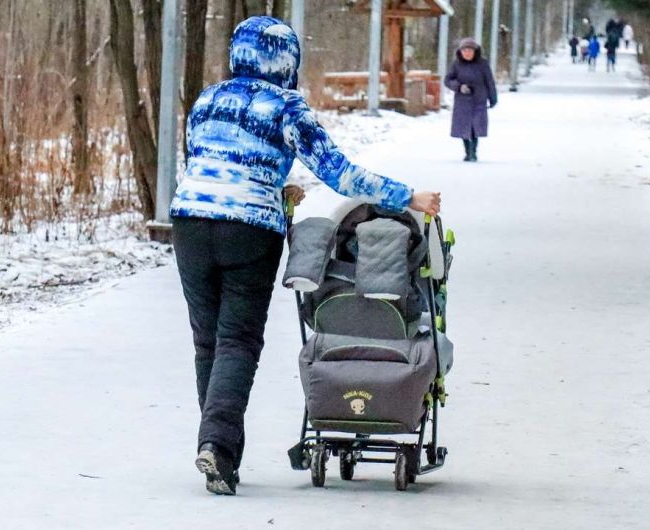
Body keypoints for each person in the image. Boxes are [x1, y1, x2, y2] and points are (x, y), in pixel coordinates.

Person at [169, 16, 441, 496]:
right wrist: (408, 197)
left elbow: (208, 162)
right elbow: (341, 175)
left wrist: (276, 186)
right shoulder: (286, 107)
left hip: (190, 221)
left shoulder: (208, 99)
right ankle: (215, 444)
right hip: (248, 231)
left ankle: (220, 453)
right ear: (287, 61)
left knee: (206, 342)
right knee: (237, 341)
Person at [443, 38, 497, 162]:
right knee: (464, 127)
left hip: (479, 100)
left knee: (475, 127)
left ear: (475, 51)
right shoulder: (456, 64)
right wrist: (459, 87)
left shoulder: (483, 64)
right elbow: (448, 80)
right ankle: (468, 151)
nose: (467, 53)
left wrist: (493, 98)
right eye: (464, 50)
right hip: (462, 101)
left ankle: (473, 151)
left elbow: (489, 81)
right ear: (460, 52)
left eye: (470, 50)